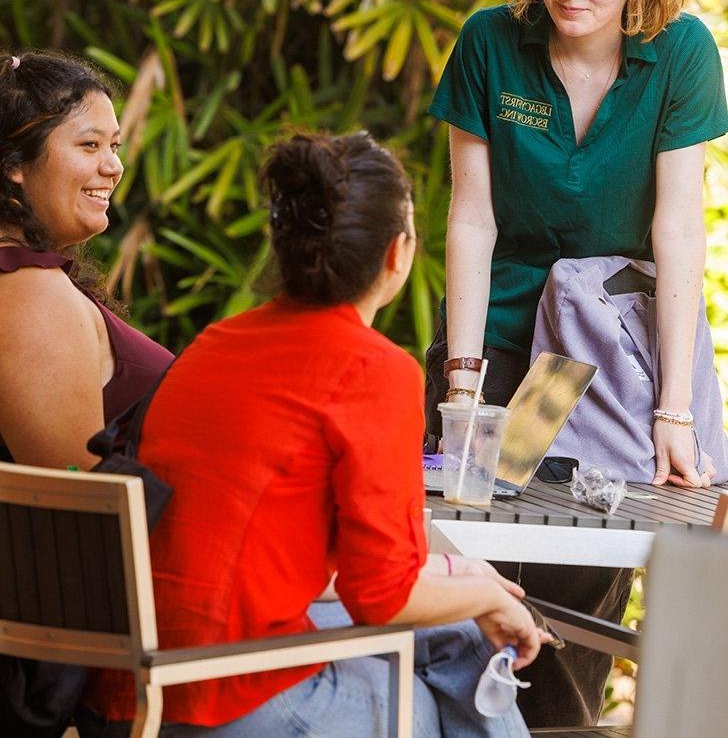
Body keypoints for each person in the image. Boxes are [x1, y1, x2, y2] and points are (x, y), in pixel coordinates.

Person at [79, 132, 550, 738]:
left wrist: (468, 583)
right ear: (398, 254)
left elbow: (279, 555)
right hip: (213, 694)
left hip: (124, 679)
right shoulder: (374, 370)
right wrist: (493, 600)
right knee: (421, 704)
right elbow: (381, 597)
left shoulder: (214, 345)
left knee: (458, 638)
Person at [423, 0, 728, 726]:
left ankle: (555, 725)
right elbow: (472, 219)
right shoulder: (491, 41)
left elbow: (677, 233)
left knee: (579, 569)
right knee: (472, 550)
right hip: (504, 335)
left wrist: (674, 410)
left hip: (597, 354)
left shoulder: (680, 53)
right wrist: (462, 378)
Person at [0, 52, 174, 469]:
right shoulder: (28, 292)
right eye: (90, 145)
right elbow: (74, 503)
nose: (114, 166)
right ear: (16, 164)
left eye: (113, 146)